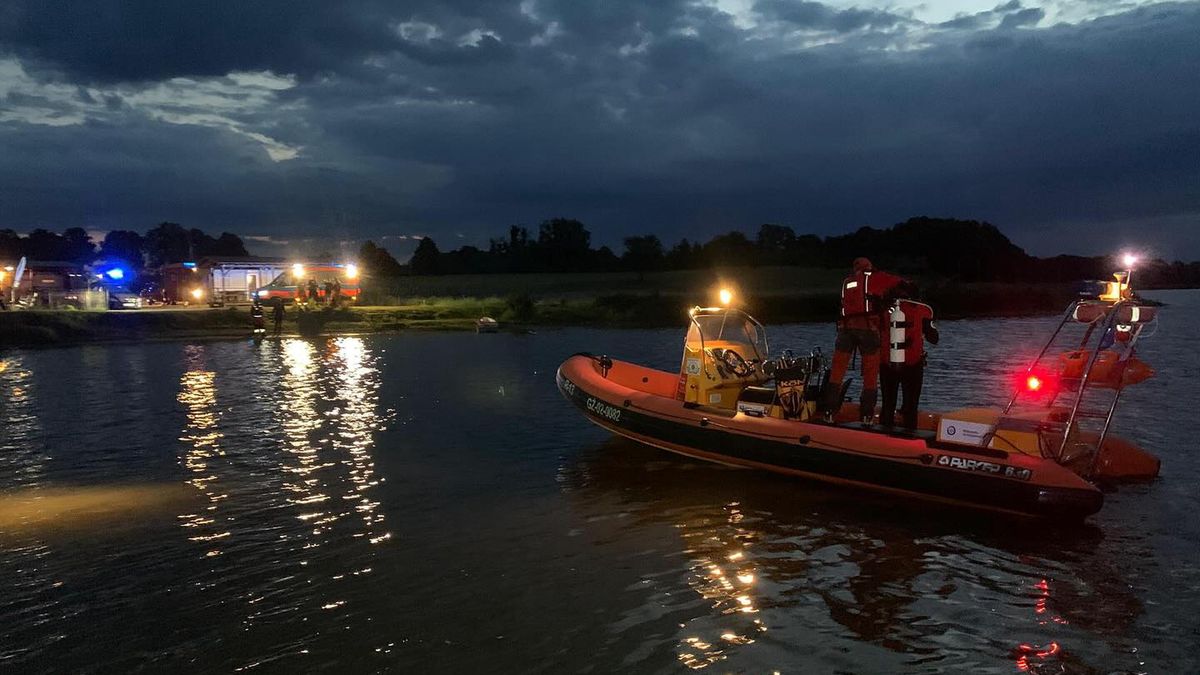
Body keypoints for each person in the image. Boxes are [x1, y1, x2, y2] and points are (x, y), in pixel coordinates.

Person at [824, 257, 908, 424]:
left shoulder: (847, 282)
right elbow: (902, 284)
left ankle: (829, 411)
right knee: (870, 375)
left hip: (845, 331)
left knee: (837, 372)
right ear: (869, 266)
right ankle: (867, 415)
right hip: (869, 330)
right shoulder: (876, 278)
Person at [879, 295, 938, 430]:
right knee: (911, 404)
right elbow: (934, 339)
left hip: (887, 364)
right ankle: (910, 432)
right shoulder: (923, 310)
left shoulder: (884, 310)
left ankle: (884, 432)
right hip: (913, 364)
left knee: (888, 403)